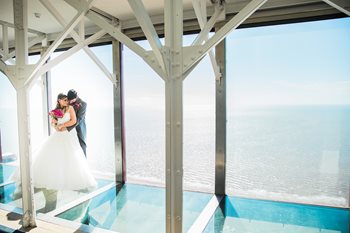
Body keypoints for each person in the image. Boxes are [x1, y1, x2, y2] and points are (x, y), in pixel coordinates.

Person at [31, 93, 96, 191]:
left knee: (72, 154)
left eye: (67, 100)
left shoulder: (70, 108)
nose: (67, 101)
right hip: (58, 134)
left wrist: (62, 126)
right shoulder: (55, 111)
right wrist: (56, 126)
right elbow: (53, 122)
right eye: (64, 100)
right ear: (59, 101)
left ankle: (74, 178)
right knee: (55, 154)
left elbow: (74, 121)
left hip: (69, 134)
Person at [67, 89, 87, 157]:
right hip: (68, 125)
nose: (70, 102)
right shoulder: (67, 102)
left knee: (82, 145)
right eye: (69, 100)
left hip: (79, 127)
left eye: (71, 100)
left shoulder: (83, 104)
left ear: (76, 97)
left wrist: (67, 128)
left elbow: (79, 119)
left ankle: (84, 163)